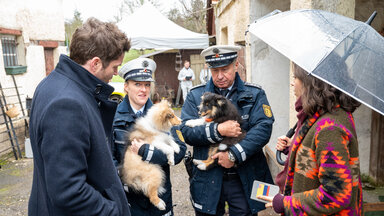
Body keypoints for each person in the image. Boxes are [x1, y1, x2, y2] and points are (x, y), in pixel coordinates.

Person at [28, 18, 131, 215]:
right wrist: (112, 210)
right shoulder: (67, 104)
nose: (116, 73)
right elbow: (68, 191)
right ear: (95, 63)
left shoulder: (53, 83)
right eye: (115, 67)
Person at [180, 45, 275, 216]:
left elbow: (263, 128)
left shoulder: (254, 94)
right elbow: (186, 132)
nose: (220, 76)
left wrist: (234, 155)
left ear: (236, 65)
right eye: (215, 70)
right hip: (207, 179)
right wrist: (218, 130)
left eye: (225, 69)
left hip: (243, 176)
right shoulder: (195, 95)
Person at [257, 63, 362, 215]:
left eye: (295, 77)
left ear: (311, 82)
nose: (292, 82)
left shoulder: (330, 128)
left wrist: (285, 202)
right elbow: (319, 154)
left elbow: (335, 195)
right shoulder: (322, 114)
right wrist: (293, 148)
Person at [112, 57, 187, 216]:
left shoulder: (162, 114)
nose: (143, 90)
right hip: (130, 199)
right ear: (126, 86)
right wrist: (123, 178)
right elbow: (107, 156)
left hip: (159, 198)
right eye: (137, 84)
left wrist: (148, 153)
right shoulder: (113, 117)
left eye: (147, 85)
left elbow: (180, 151)